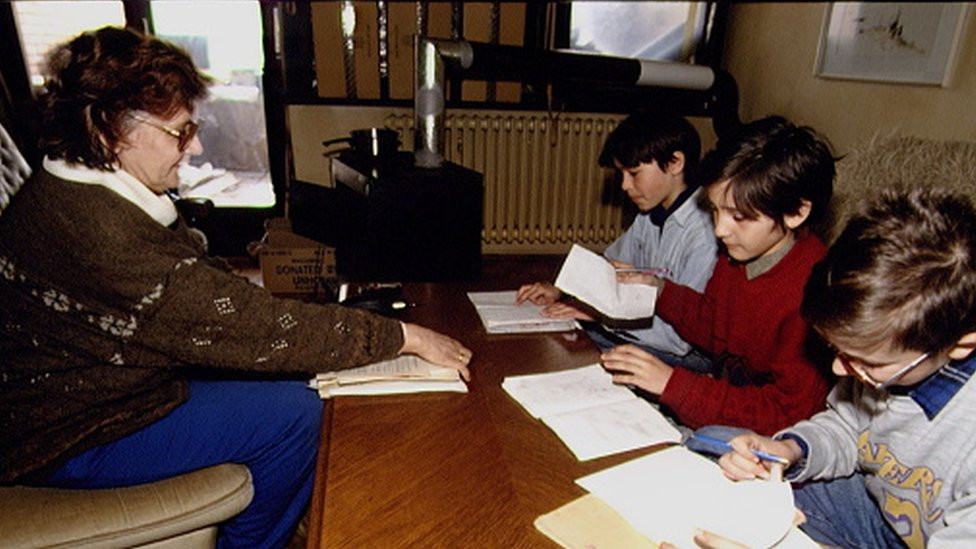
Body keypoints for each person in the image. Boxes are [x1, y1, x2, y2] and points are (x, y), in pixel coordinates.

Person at [0, 26, 472, 549]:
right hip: (67, 436)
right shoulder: (101, 233)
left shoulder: (75, 188)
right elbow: (251, 326)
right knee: (296, 416)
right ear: (110, 132)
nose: (196, 145)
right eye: (180, 132)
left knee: (289, 381)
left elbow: (207, 293)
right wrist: (404, 336)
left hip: (93, 396)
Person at [709, 188, 976, 548]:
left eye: (868, 362)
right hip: (877, 514)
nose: (838, 369)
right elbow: (848, 426)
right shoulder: (895, 350)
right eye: (838, 351)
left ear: (962, 345)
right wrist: (791, 450)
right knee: (716, 444)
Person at [600, 116, 835, 436]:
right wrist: (659, 289)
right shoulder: (739, 254)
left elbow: (788, 415)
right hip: (730, 401)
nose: (720, 230)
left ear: (796, 212)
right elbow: (714, 324)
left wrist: (673, 384)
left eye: (739, 216)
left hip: (776, 435)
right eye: (714, 210)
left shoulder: (814, 295)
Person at [516, 110, 718, 373]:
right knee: (560, 332)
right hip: (644, 331)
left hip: (687, 355)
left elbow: (678, 341)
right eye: (622, 174)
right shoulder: (650, 214)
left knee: (578, 350)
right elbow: (610, 266)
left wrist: (599, 315)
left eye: (634, 173)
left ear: (675, 163)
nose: (624, 185)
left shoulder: (705, 234)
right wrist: (561, 291)